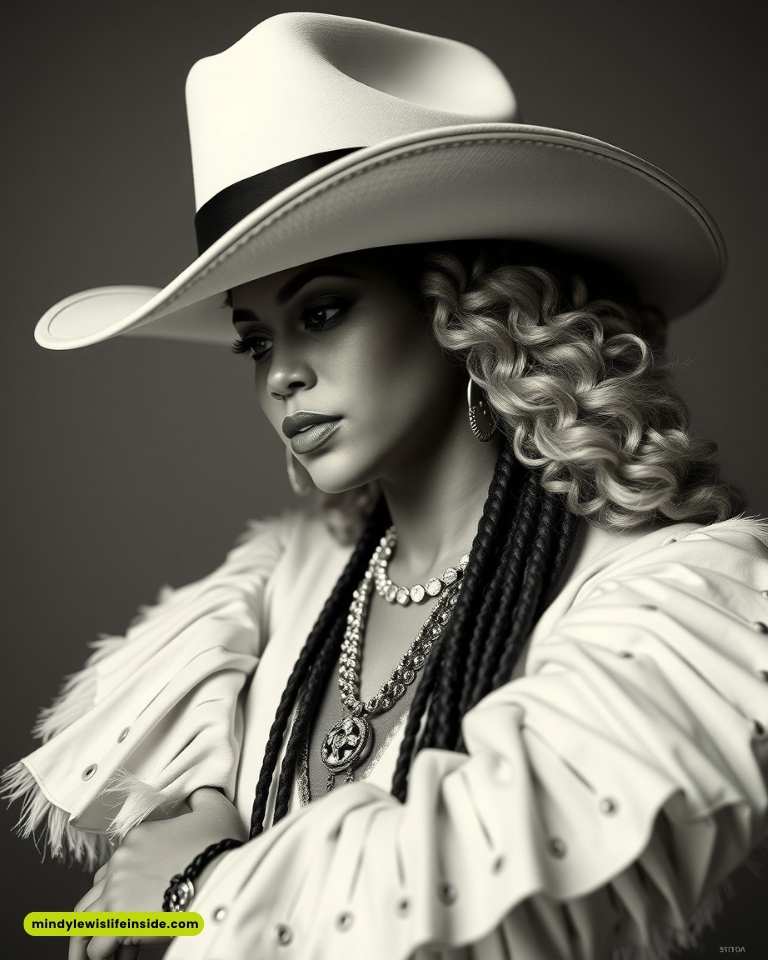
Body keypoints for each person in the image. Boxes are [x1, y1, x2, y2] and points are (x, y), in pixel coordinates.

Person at [3, 11, 767, 960]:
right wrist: (181, 868)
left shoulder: (670, 601)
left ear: (463, 310)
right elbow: (151, 915)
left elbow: (519, 914)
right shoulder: (280, 589)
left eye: (322, 311)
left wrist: (204, 882)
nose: (280, 375)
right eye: (256, 339)